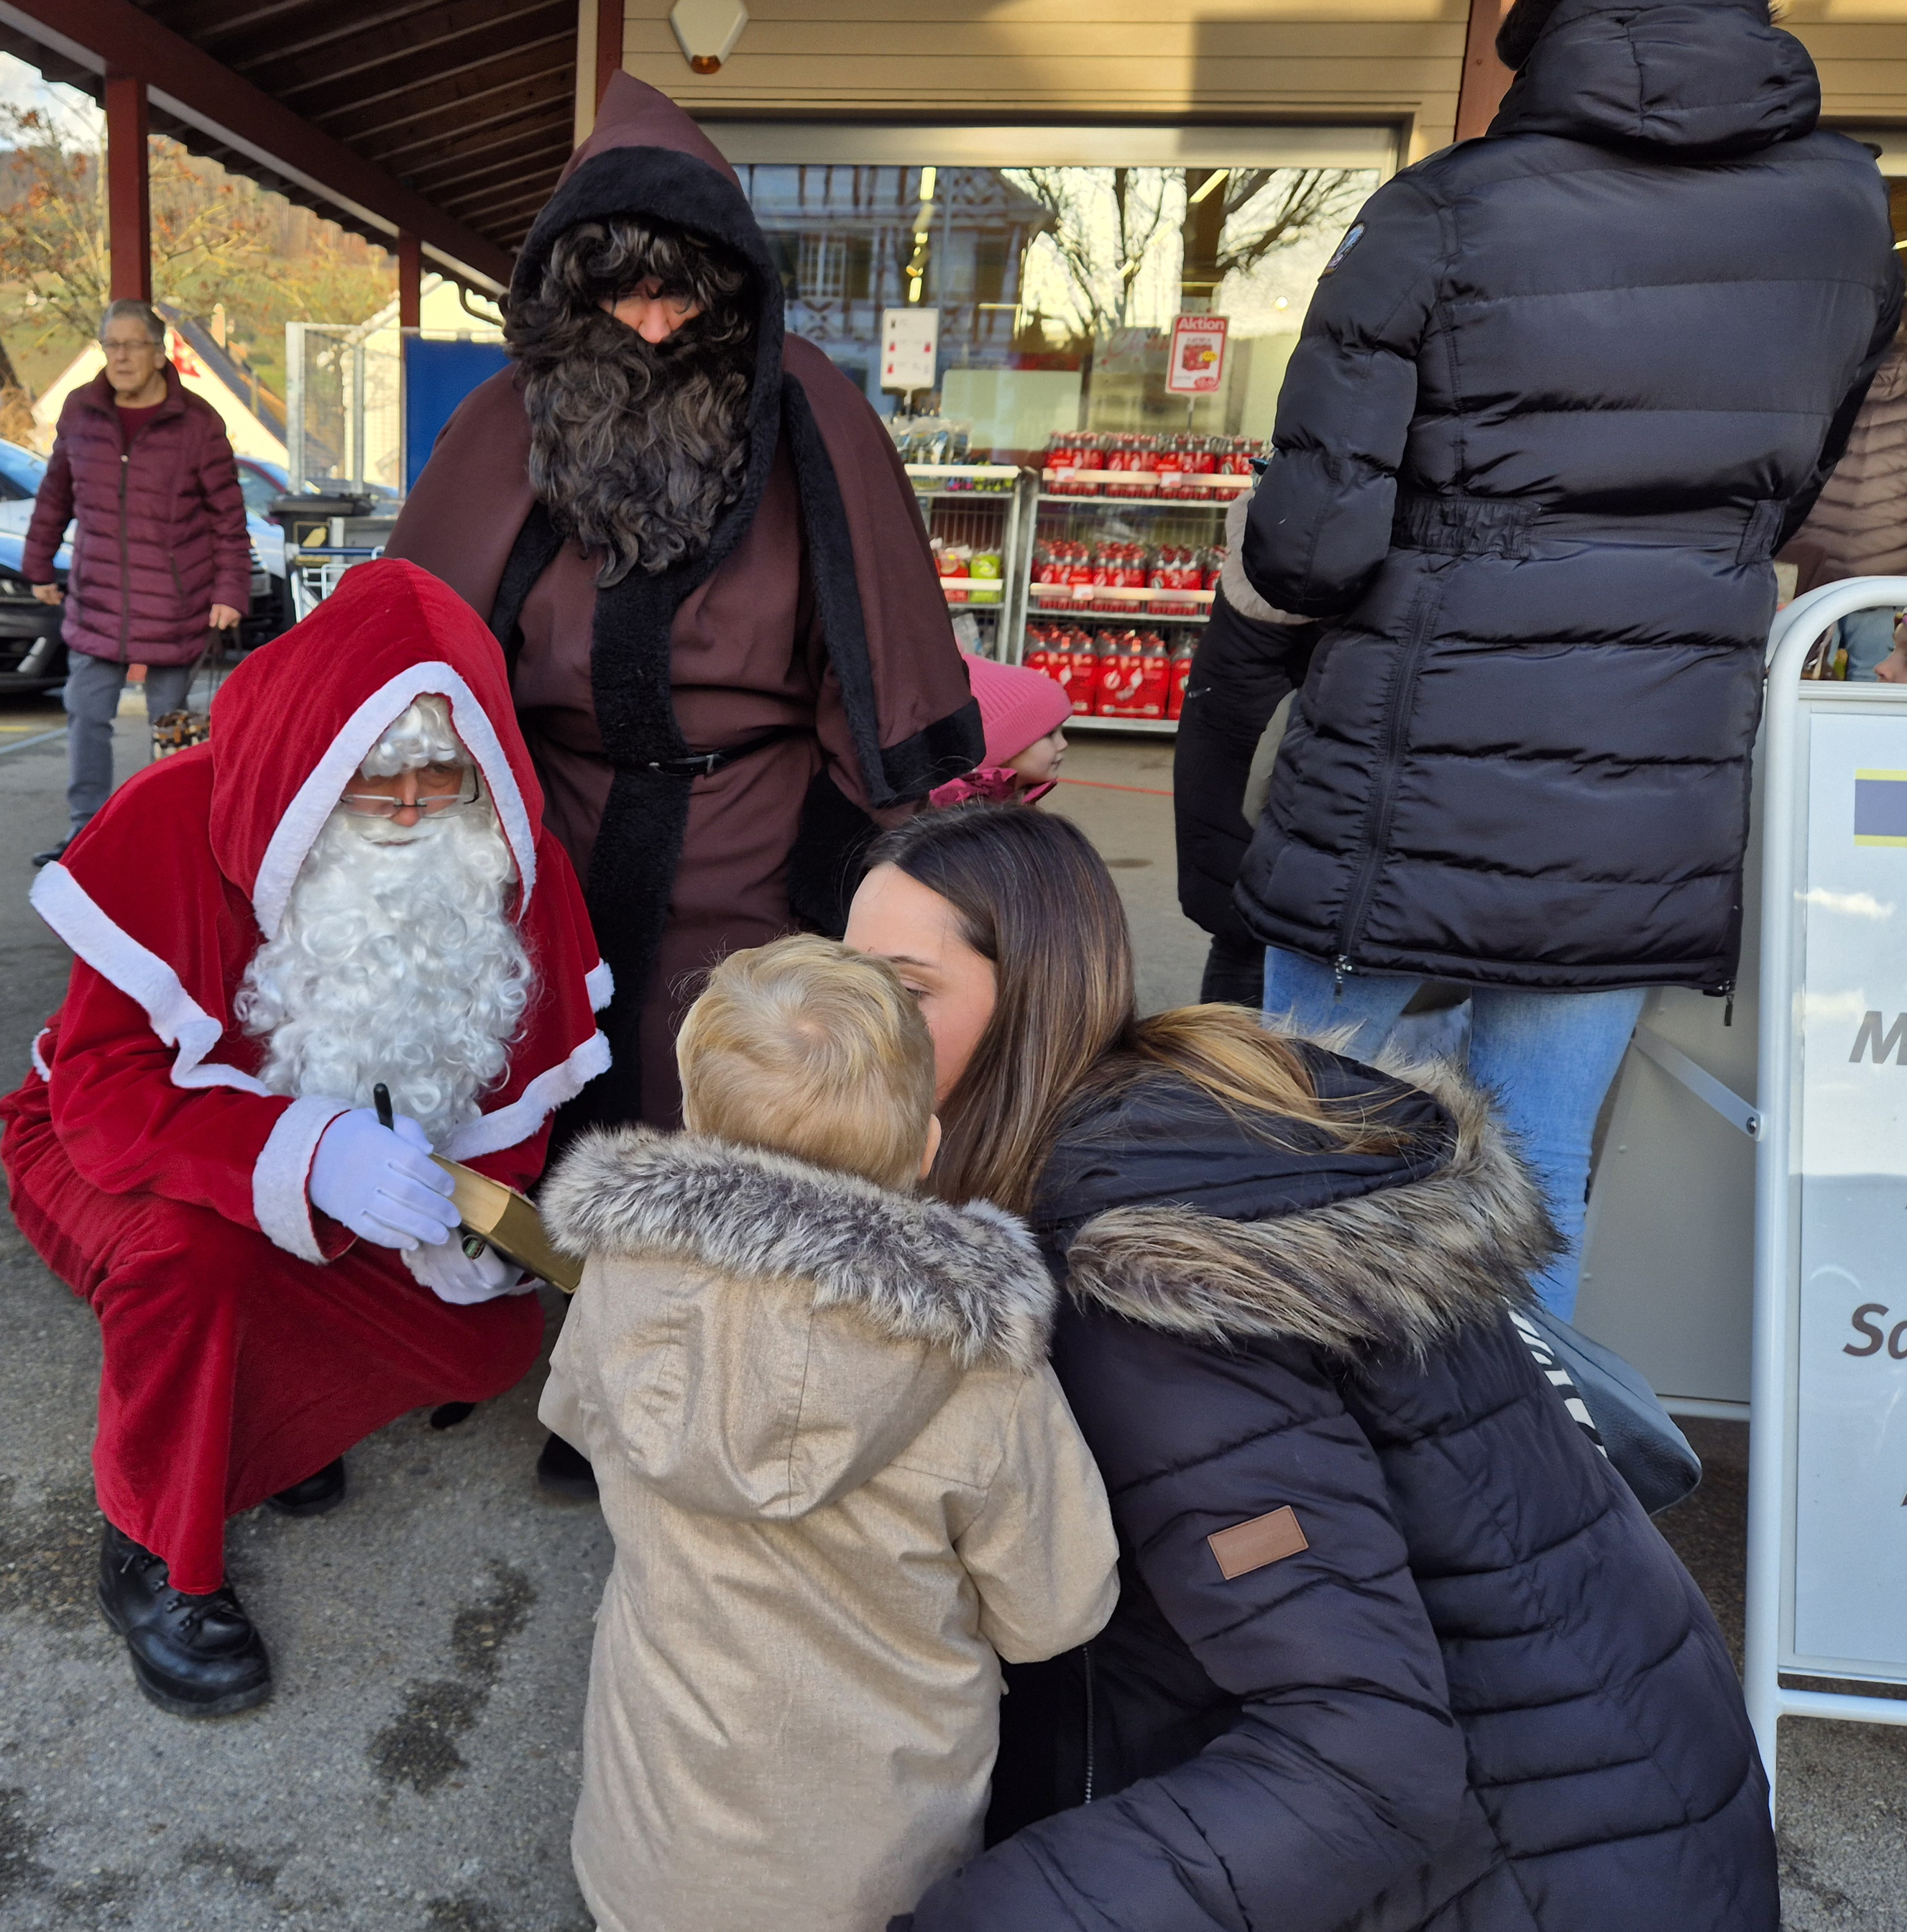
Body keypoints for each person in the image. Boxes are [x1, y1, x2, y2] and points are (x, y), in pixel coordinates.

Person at [845, 806, 1778, 1932]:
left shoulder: (1144, 1278)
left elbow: (1363, 1759)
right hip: (1612, 1763)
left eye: (904, 993)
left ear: (1038, 1000)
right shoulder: (1177, 1122)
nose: (853, 1032)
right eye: (841, 982)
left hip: (1560, 1866)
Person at [1231, 0, 1902, 1321]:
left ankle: (1288, 1434)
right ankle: (1519, 1439)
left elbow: (1311, 547)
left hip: (1406, 759)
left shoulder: (1444, 206)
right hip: (1651, 766)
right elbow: (1795, 488)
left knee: (1298, 1152)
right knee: (1535, 1178)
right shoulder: (1842, 215)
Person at [0, 560, 610, 1717]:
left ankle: (267, 1431)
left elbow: (516, 1093)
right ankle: (154, 1548)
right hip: (103, 1147)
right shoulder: (173, 815)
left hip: (353, 1173)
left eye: (443, 773)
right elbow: (101, 1094)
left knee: (485, 1344)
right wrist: (306, 1154)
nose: (415, 805)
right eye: (376, 777)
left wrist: (477, 1221)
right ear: (315, 761)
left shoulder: (510, 862)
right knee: (198, 1261)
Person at [387, 71, 980, 1138]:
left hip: (755, 848)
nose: (656, 328)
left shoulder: (814, 412)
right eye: (624, 297)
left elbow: (876, 667)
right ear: (573, 293)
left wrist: (849, 863)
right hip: (549, 838)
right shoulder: (505, 419)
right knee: (541, 1103)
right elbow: (414, 642)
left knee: (734, 1108)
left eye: (684, 298)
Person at [536, 934, 1117, 1932]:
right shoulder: (982, 1373)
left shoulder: (617, 1286)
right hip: (872, 1869)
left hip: (649, 1849)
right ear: (926, 1144)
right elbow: (1055, 1612)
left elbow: (578, 1422)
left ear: (695, 1127)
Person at [24, 299, 253, 868]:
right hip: (96, 600)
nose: (121, 357)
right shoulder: (80, 411)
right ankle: (85, 835)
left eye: (132, 345)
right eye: (112, 345)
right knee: (85, 716)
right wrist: (38, 566)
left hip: (177, 605)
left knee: (170, 730)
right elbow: (55, 495)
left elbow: (228, 517)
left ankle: (167, 838)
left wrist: (230, 592)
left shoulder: (198, 423)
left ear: (158, 352)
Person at [1170, 489, 1315, 1007]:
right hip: (1260, 732)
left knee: (1245, 932)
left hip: (1244, 721)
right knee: (1250, 934)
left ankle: (1225, 1055)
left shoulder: (1288, 514)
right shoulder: (1301, 532)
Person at [1780, 323, 1907, 678]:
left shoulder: (1820, 376)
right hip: (1885, 574)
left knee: (1798, 679)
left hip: (1811, 565)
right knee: (1876, 685)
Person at [929, 653, 1072, 806]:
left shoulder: (994, 805)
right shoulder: (972, 816)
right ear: (1002, 750)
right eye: (1050, 735)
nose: (1064, 744)